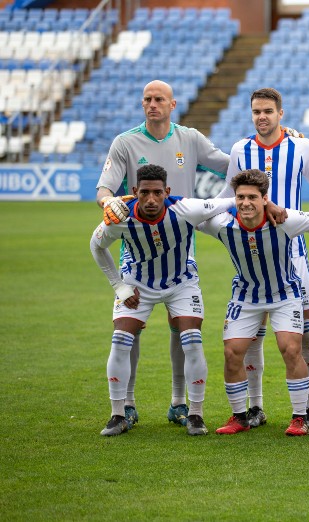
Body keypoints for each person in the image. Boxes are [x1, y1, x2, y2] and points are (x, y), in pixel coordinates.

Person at [95, 80, 230, 429]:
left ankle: (179, 403)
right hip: (137, 246)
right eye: (146, 100)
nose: (152, 104)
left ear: (173, 104)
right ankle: (125, 404)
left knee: (181, 329)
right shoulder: (125, 142)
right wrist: (110, 204)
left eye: (159, 100)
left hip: (181, 245)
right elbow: (105, 188)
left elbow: (229, 164)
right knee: (129, 331)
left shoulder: (191, 138)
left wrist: (264, 149)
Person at [216, 88, 309, 430]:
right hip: (254, 246)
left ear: (280, 113)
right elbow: (228, 194)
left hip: (293, 247)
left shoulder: (301, 146)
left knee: (302, 335)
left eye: (268, 111)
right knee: (251, 333)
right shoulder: (241, 149)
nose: (262, 117)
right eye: (257, 111)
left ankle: (308, 406)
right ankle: (254, 407)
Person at [198, 169, 309, 436]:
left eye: (252, 197)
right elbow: (189, 214)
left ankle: (299, 416)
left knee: (290, 349)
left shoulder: (285, 221)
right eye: (240, 197)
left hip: (284, 294)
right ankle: (240, 417)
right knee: (231, 353)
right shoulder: (221, 225)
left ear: (265, 199)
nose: (245, 203)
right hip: (246, 295)